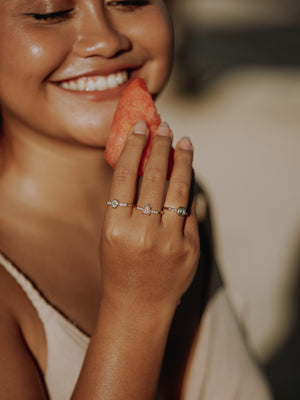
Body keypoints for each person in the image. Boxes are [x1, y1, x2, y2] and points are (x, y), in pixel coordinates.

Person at [0, 1, 272, 399]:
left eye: (130, 0)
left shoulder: (177, 204)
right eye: (50, 12)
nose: (106, 41)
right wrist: (136, 310)